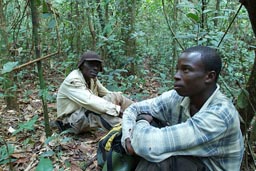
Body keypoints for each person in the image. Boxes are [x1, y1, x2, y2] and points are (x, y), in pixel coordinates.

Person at [121, 46, 244, 171]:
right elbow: (133, 109)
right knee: (155, 135)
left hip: (205, 167)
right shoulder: (178, 97)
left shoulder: (220, 114)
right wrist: (127, 137)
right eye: (177, 69)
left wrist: (142, 121)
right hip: (191, 163)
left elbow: (147, 145)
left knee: (160, 160)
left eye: (186, 70)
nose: (176, 76)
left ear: (209, 77)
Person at [55, 51, 133, 134]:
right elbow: (90, 102)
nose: (95, 68)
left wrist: (120, 103)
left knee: (115, 96)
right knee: (96, 110)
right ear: (82, 65)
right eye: (91, 64)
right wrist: (116, 109)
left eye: (97, 65)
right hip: (69, 122)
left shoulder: (91, 78)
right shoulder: (74, 80)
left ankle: (140, 111)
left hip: (82, 115)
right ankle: (128, 131)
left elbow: (107, 94)